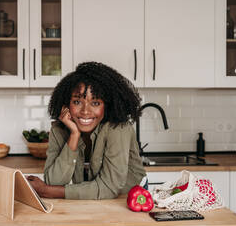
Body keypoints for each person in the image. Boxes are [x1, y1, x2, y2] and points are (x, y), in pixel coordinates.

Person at [27, 62, 146, 200]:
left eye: (95, 103)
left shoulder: (118, 128)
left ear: (107, 106)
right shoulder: (60, 129)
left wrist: (47, 191)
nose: (85, 111)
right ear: (66, 104)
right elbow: (54, 182)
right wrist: (74, 135)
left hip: (130, 199)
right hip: (93, 199)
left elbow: (109, 188)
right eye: (77, 102)